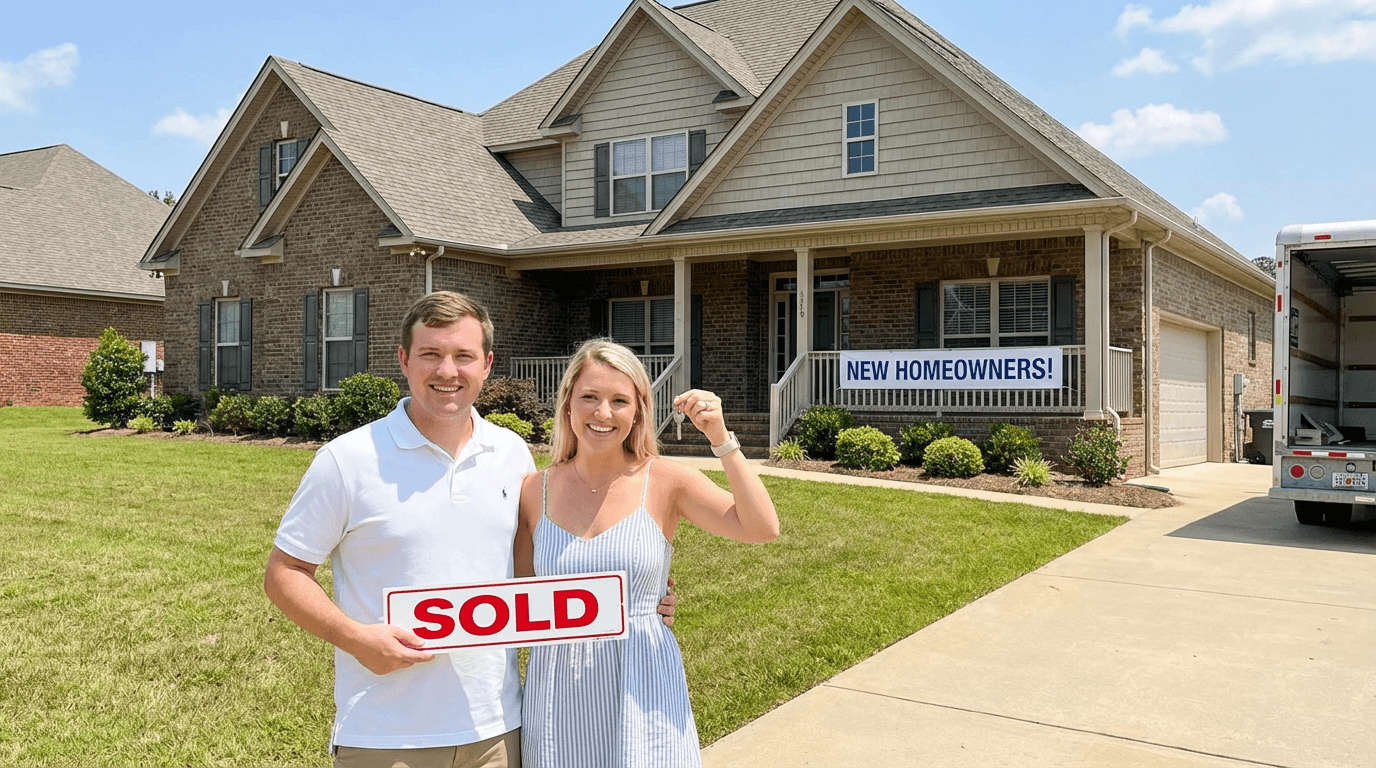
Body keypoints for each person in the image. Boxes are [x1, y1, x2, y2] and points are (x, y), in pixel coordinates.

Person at [263, 292, 674, 768]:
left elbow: (530, 575)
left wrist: (632, 599)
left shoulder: (511, 454)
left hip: (497, 730)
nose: (447, 372)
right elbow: (285, 572)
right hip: (385, 734)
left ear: (486, 365)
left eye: (463, 356)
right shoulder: (347, 460)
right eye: (431, 354)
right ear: (403, 360)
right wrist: (356, 638)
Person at [515, 338, 780, 768]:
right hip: (558, 690)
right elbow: (517, 598)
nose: (603, 413)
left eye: (620, 400)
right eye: (590, 397)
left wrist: (721, 439)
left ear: (638, 410)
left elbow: (762, 528)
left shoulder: (667, 480)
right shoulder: (534, 490)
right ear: (567, 404)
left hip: (644, 683)